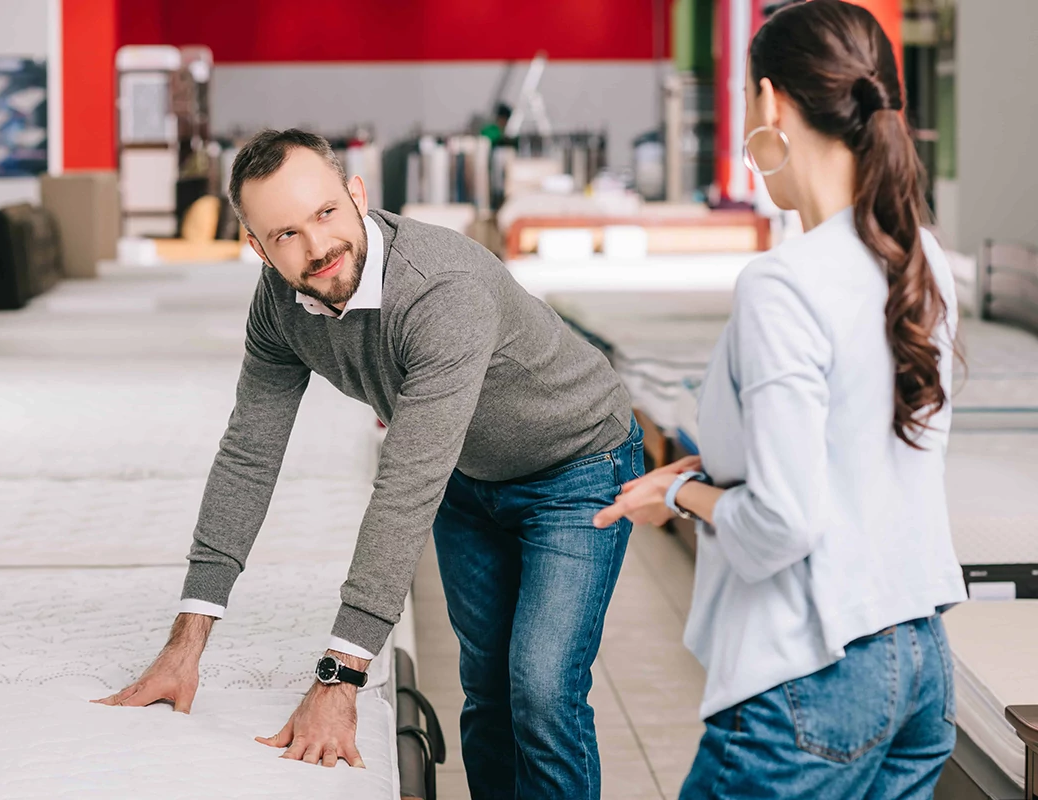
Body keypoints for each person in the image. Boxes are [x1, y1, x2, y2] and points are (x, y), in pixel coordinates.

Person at [98, 128, 643, 798]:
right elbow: (249, 453)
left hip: (578, 464)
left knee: (541, 688)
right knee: (487, 688)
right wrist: (186, 643)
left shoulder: (442, 287)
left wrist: (340, 678)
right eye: (286, 234)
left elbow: (406, 484)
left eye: (326, 213)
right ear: (258, 248)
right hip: (470, 476)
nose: (317, 247)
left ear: (357, 195)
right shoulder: (278, 304)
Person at [594, 2, 965, 798]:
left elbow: (783, 525)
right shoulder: (922, 261)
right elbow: (858, 452)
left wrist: (678, 495)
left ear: (770, 102)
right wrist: (716, 472)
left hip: (814, 664)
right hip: (920, 660)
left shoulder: (783, 283)